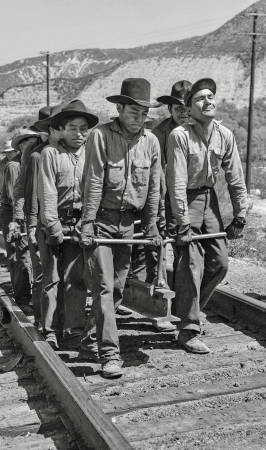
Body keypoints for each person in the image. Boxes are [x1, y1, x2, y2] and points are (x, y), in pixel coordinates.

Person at [79, 78, 162, 378]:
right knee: (103, 286)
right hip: (101, 219)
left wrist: (151, 227)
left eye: (144, 114)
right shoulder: (100, 136)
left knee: (115, 289)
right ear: (119, 108)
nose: (139, 119)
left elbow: (154, 189)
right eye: (133, 113)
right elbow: (93, 182)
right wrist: (87, 222)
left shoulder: (151, 143)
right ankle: (109, 355)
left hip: (128, 224)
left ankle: (89, 339)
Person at [167, 78, 248, 354]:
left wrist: (240, 216)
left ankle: (185, 310)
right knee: (191, 263)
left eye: (211, 96)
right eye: (200, 98)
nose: (208, 101)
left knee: (220, 262)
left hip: (209, 199)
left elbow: (236, 178)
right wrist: (182, 221)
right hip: (185, 201)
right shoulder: (180, 135)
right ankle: (188, 329)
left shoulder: (225, 135)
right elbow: (176, 182)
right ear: (189, 108)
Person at [130, 80, 193, 332]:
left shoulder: (199, 131)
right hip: (161, 202)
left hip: (191, 203)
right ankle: (160, 310)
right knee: (158, 253)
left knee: (187, 257)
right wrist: (160, 214)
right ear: (170, 109)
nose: (183, 113)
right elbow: (157, 179)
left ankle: (185, 308)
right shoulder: (158, 134)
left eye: (187, 108)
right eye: (178, 108)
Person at [38, 100, 99, 349]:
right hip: (53, 222)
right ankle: (49, 329)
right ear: (62, 129)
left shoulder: (91, 156)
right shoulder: (50, 154)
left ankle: (73, 329)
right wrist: (52, 227)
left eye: (83, 128)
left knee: (75, 279)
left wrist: (87, 223)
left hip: (79, 223)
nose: (79, 133)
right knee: (51, 279)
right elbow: (47, 191)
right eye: (73, 128)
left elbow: (94, 191)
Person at [9, 106, 64, 328]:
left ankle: (60, 321)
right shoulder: (35, 154)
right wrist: (27, 222)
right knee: (42, 272)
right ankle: (43, 321)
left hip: (62, 218)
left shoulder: (67, 151)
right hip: (40, 219)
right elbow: (25, 190)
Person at [0, 130, 39, 311]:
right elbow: (13, 195)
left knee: (27, 254)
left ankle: (27, 295)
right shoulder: (15, 166)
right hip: (17, 211)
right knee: (21, 254)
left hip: (28, 211)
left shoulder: (32, 161)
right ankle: (23, 299)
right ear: (23, 146)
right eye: (30, 144)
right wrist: (19, 218)